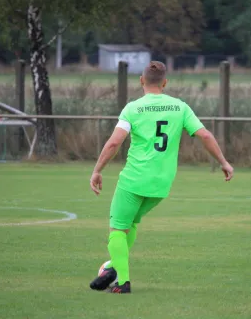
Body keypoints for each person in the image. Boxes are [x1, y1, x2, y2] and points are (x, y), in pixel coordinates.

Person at [88, 61, 234, 294]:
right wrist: (223, 162)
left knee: (116, 230)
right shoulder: (180, 107)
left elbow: (115, 142)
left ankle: (122, 281)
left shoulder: (133, 108)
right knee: (131, 224)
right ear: (165, 83)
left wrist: (97, 170)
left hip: (134, 180)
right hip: (161, 184)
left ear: (141, 81)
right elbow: (204, 134)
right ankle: (113, 266)